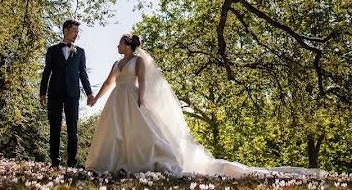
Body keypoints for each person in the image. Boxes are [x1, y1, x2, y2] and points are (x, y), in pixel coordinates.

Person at [85, 33, 322, 177]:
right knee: (114, 132)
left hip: (132, 99)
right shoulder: (117, 63)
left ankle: (141, 162)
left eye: (119, 43)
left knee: (138, 133)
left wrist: (142, 101)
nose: (117, 46)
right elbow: (108, 82)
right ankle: (112, 163)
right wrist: (95, 98)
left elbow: (144, 82)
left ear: (127, 44)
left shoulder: (138, 62)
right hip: (116, 100)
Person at [40, 19, 95, 168]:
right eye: (74, 31)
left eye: (78, 32)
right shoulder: (52, 51)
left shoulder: (80, 52)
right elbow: (47, 73)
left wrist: (90, 94)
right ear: (65, 31)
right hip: (54, 93)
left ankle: (72, 163)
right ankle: (54, 162)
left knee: (73, 129)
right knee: (55, 128)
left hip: (72, 94)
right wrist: (42, 92)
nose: (76, 34)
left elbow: (83, 74)